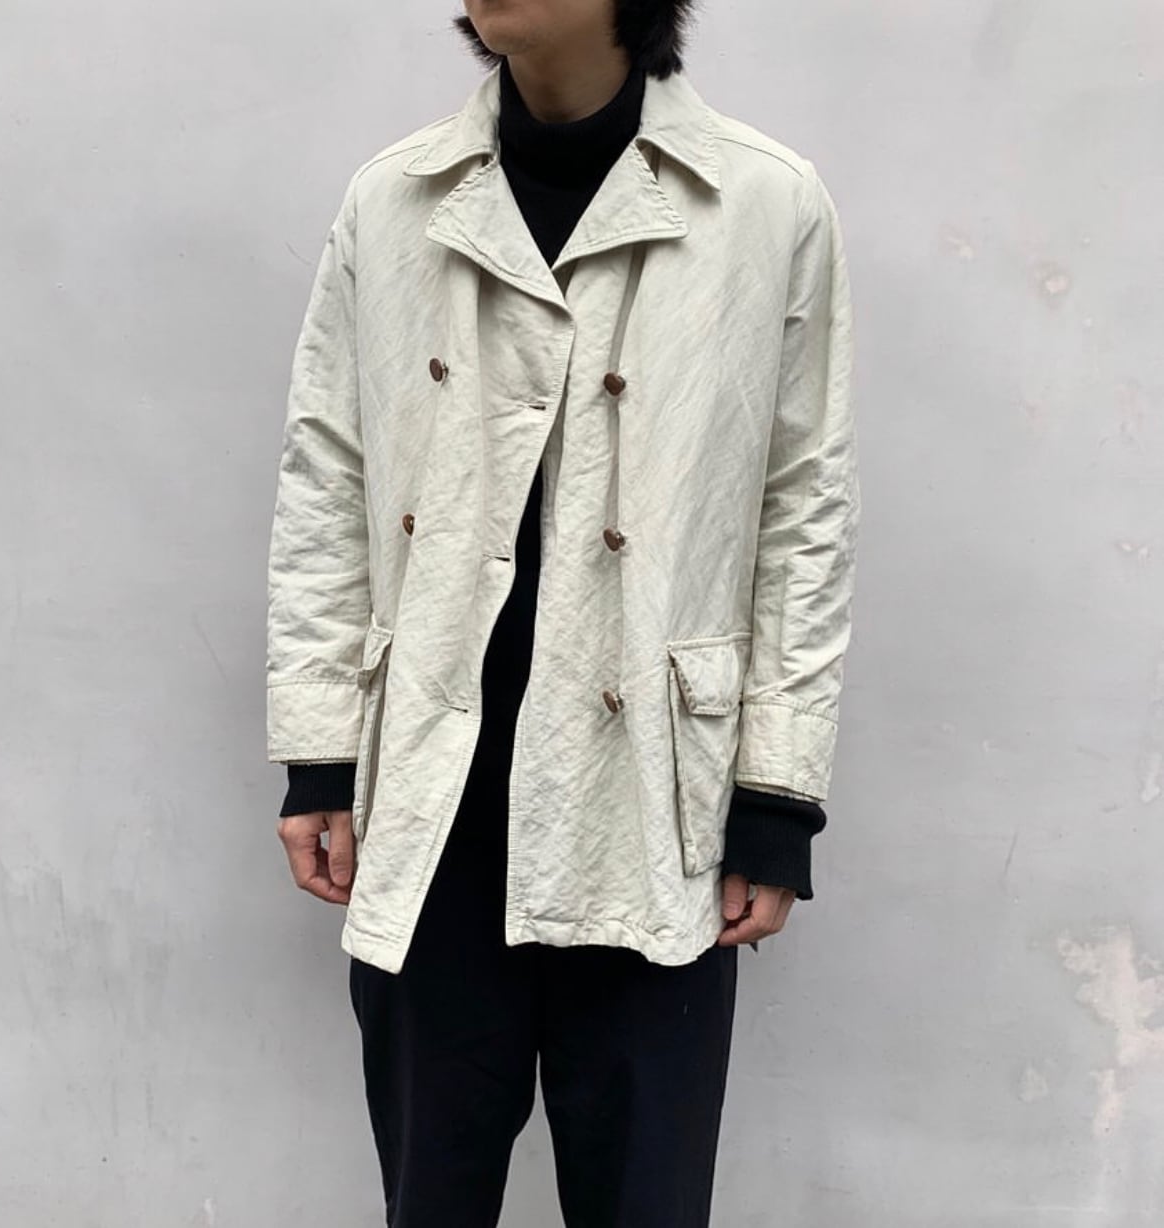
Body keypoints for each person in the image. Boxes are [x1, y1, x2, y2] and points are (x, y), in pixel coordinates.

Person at [266, 2, 859, 1223]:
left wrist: (777, 797)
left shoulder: (764, 202)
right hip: (433, 798)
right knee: (432, 1194)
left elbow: (802, 510)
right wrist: (320, 754)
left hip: (654, 803)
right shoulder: (395, 198)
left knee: (644, 1199)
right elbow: (328, 477)